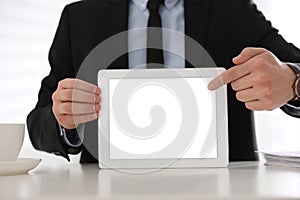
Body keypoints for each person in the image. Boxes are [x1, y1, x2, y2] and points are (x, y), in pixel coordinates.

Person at [27, 0, 300, 163]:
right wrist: (64, 120)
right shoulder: (80, 17)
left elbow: (293, 68)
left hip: (221, 187)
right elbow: (39, 121)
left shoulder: (233, 9)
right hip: (109, 187)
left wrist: (293, 81)